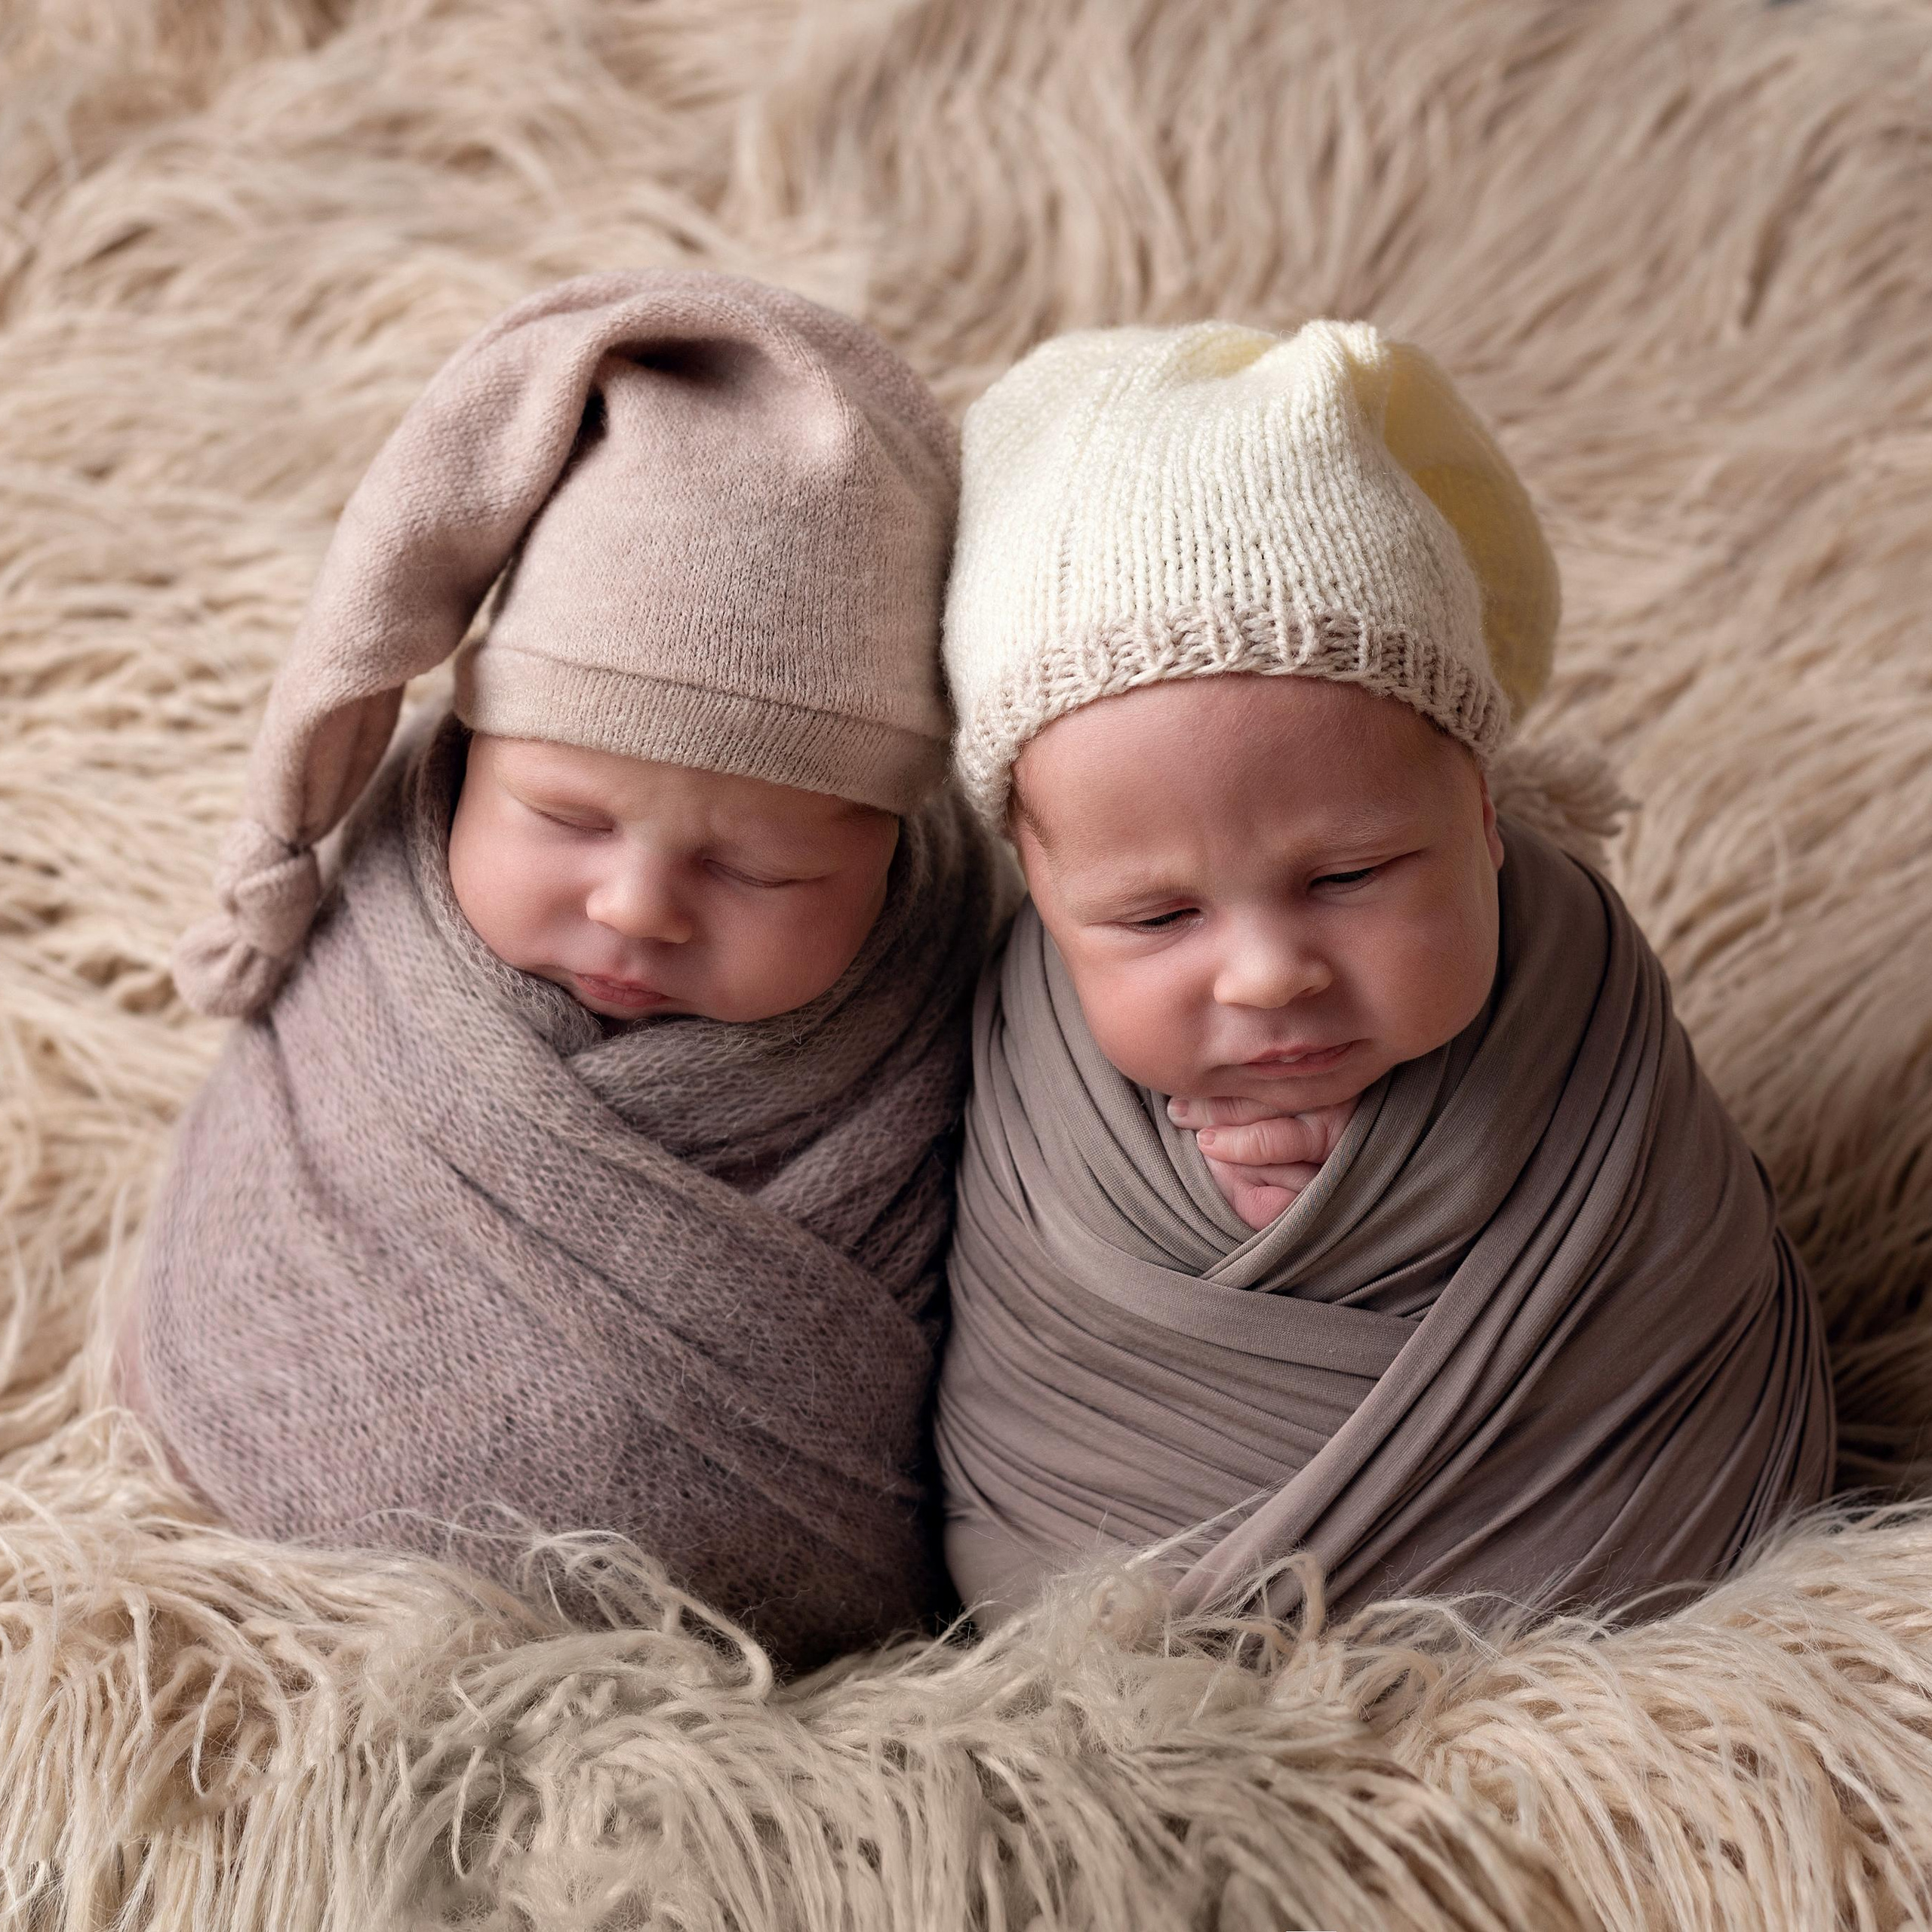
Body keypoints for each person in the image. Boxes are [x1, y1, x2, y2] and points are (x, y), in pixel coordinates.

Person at [116, 268, 1008, 1674]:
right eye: (566, 819)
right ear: (471, 756)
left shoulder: (965, 986)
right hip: (300, 1640)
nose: (638, 906)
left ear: (893, 850)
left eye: (760, 871)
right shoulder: (383, 937)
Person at [934, 317, 1834, 1626]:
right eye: (1154, 916)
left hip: (1624, 1508)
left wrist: (1402, 1182)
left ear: (1482, 813)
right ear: (1040, 888)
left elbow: (1671, 1254)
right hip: (1132, 1551)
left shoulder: (1578, 989)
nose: (1266, 974)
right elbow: (1032, 1343)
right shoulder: (1022, 1047)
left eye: (1348, 879)